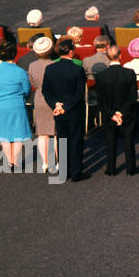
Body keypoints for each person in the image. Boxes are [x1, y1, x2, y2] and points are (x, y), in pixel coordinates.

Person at [42, 38, 88, 181]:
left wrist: (56, 105)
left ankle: (64, 171)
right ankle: (76, 172)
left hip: (58, 110)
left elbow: (46, 91)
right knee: (75, 141)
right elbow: (79, 93)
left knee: (62, 140)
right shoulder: (78, 69)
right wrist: (66, 107)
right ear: (71, 52)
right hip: (73, 110)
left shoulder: (50, 68)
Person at [96, 45, 139, 177]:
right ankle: (131, 168)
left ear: (107, 58)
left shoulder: (101, 76)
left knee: (110, 139)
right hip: (127, 111)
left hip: (109, 112)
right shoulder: (129, 73)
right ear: (120, 56)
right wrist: (122, 112)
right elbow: (133, 96)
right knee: (128, 138)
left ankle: (111, 168)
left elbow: (101, 100)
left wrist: (112, 114)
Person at [0, 41, 32, 167]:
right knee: (18, 134)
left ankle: (9, 160)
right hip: (16, 104)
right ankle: (15, 160)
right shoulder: (20, 71)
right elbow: (26, 90)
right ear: (14, 54)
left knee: (4, 134)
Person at [27, 36, 58, 173]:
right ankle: (58, 161)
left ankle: (45, 162)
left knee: (42, 133)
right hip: (55, 97)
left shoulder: (32, 65)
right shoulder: (55, 64)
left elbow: (32, 82)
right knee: (57, 132)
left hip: (39, 98)